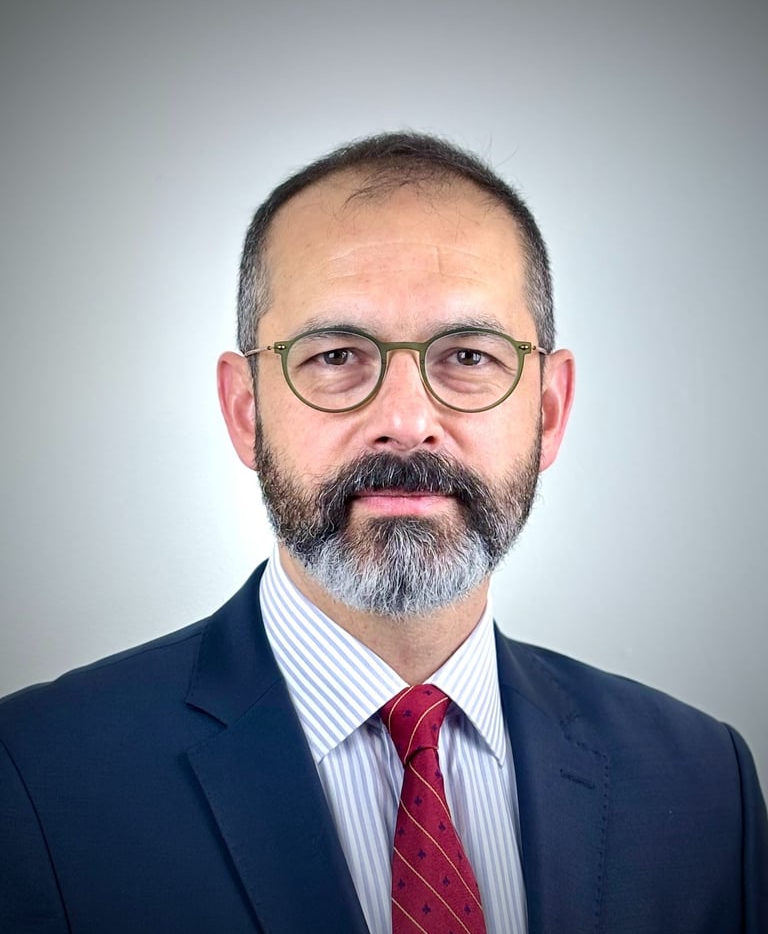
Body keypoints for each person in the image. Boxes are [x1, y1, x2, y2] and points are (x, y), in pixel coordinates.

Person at [0, 132, 765, 934]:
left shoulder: (705, 784)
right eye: (336, 356)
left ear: (547, 411)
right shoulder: (36, 778)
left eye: (468, 354)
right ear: (246, 409)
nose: (405, 423)